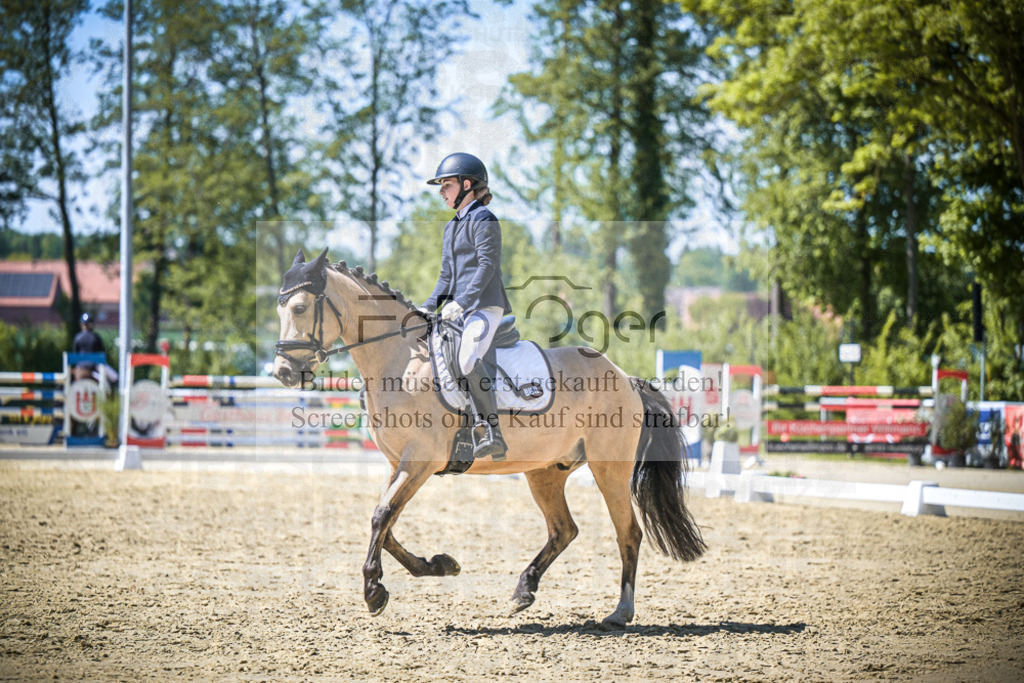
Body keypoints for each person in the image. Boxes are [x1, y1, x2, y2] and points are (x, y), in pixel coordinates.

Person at [421, 153, 513, 461]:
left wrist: (462, 302)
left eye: (446, 185)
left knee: (468, 357)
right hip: (458, 310)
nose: (441, 192)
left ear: (467, 184)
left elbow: (487, 266)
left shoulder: (485, 220)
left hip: (485, 307)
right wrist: (424, 307)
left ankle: (492, 431)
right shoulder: (451, 227)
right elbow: (446, 277)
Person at [72, 313, 106, 382]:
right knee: (114, 376)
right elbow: (102, 354)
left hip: (80, 366)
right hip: (93, 367)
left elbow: (75, 354)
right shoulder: (95, 337)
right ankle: (115, 387)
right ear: (91, 324)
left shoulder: (77, 337)